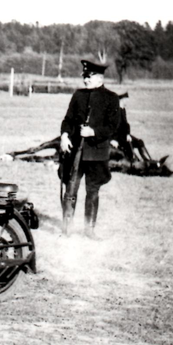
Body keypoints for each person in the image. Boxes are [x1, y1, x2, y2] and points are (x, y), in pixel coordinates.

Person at [59, 60, 121, 238]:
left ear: (100, 78)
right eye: (84, 76)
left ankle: (89, 230)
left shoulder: (111, 98)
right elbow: (68, 120)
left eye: (89, 76)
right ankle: (67, 229)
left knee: (92, 192)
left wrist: (93, 132)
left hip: (97, 154)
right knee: (70, 190)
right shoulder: (78, 95)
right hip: (75, 152)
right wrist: (64, 136)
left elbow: (113, 126)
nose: (85, 80)